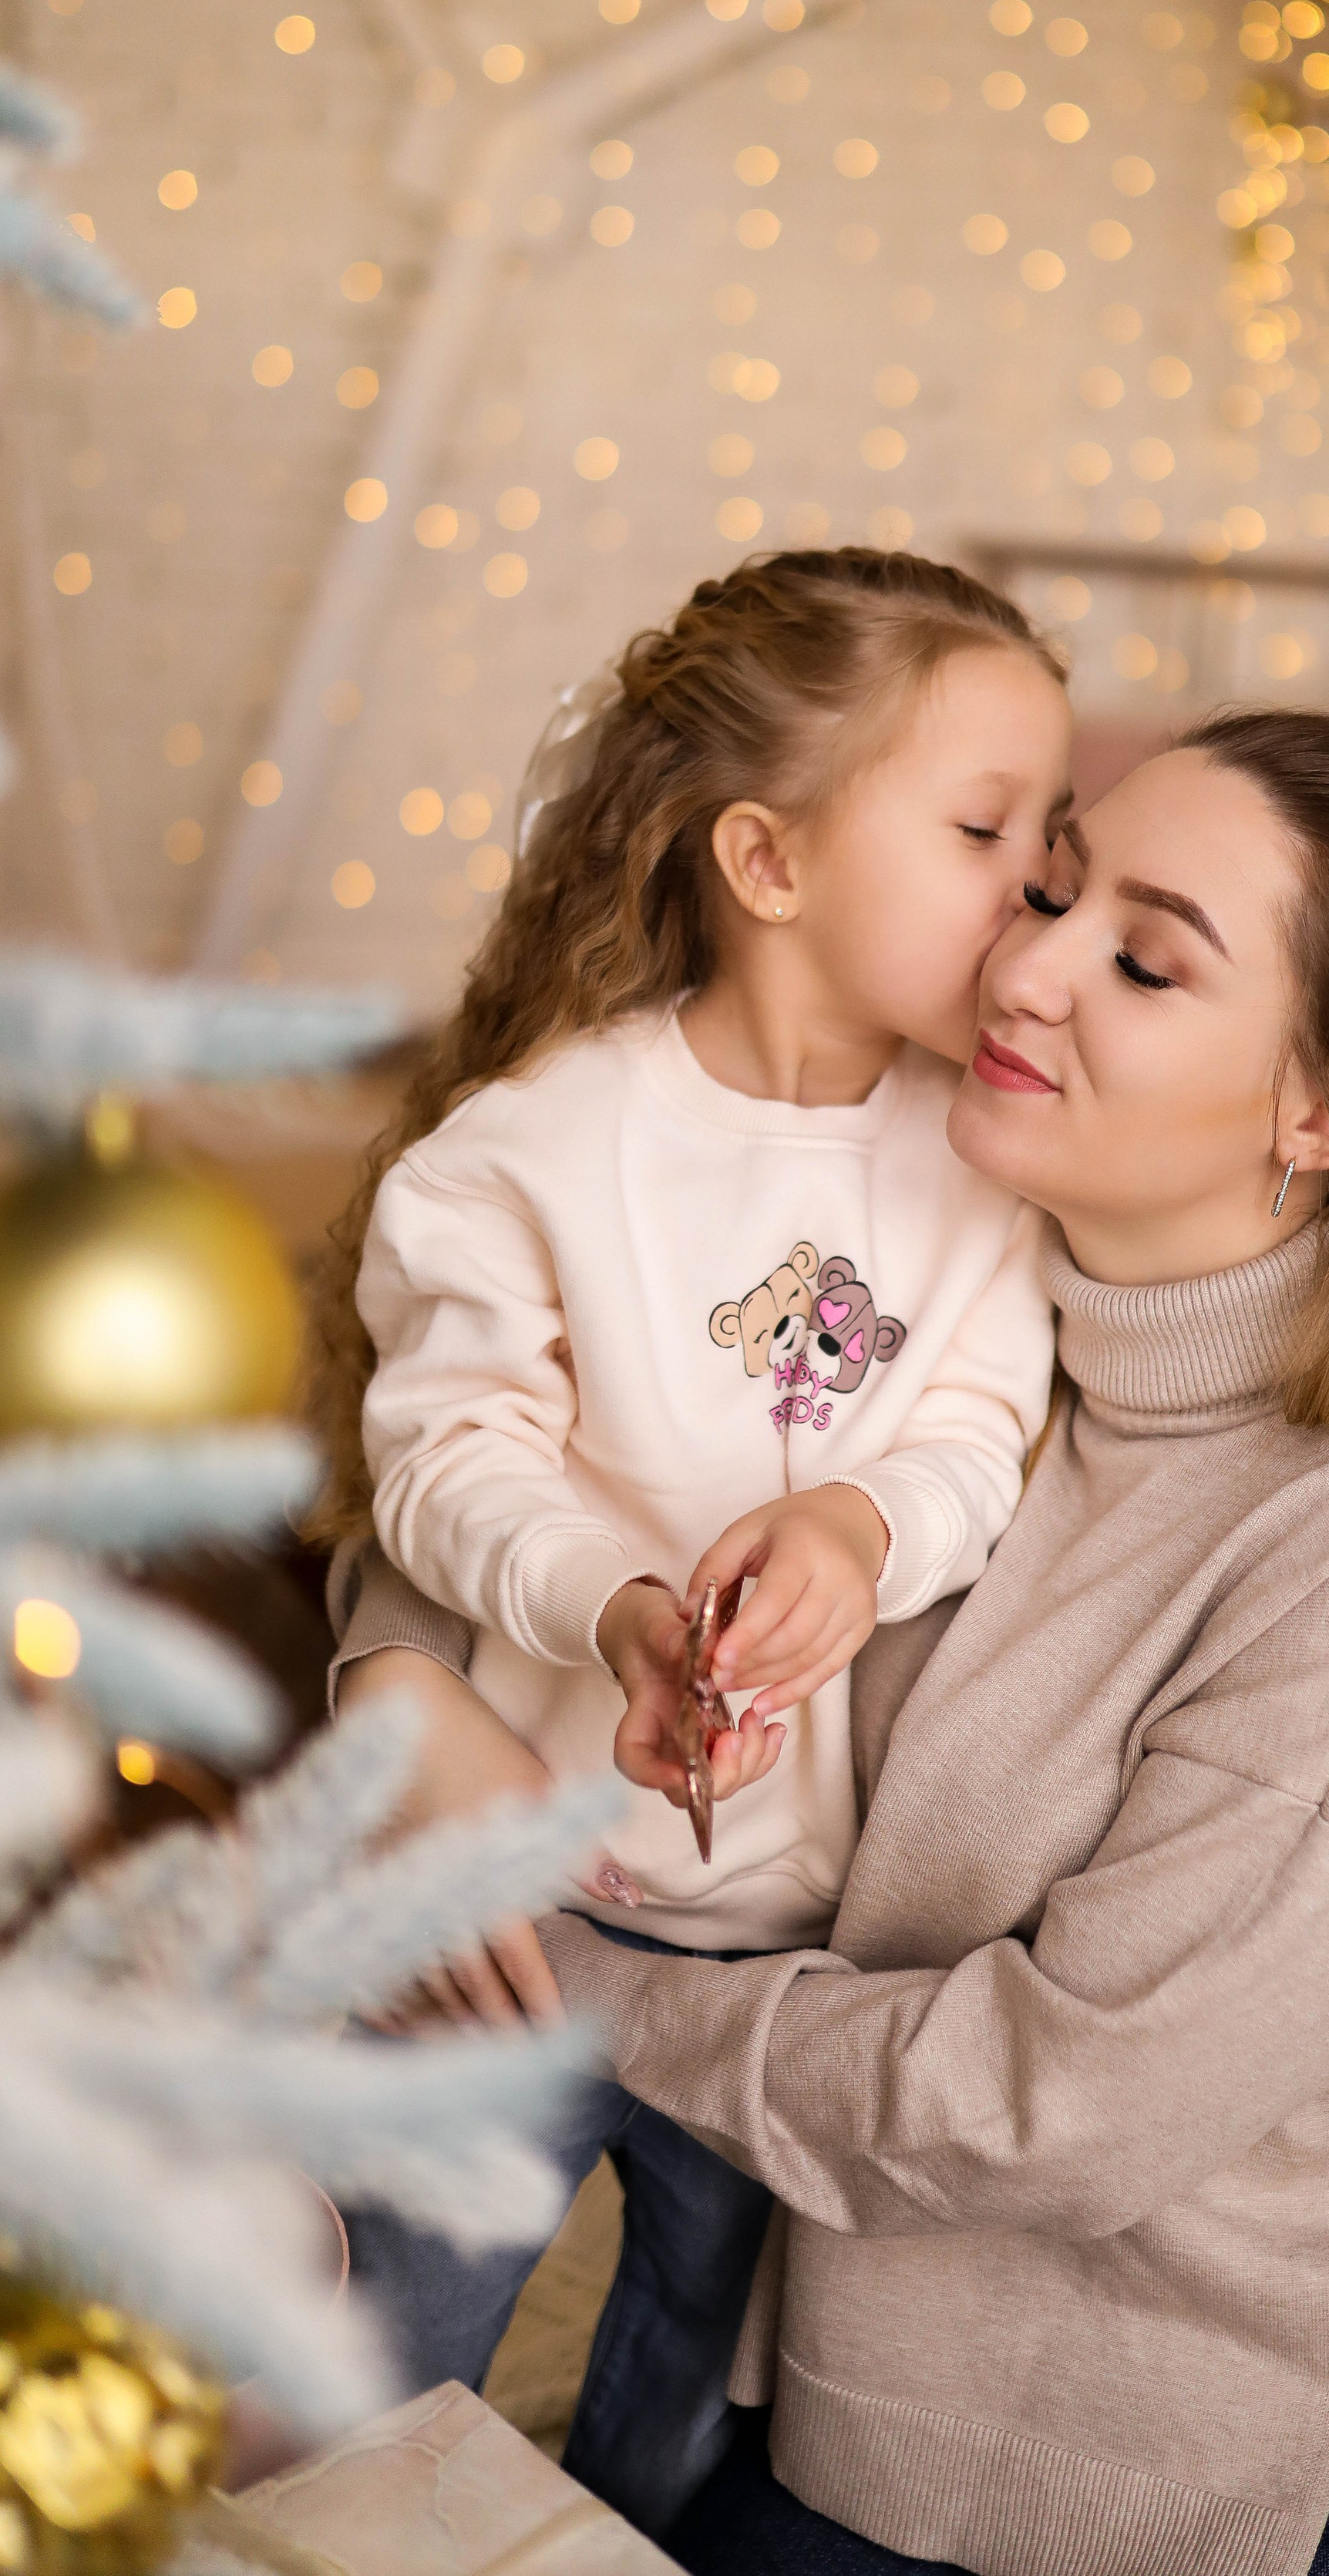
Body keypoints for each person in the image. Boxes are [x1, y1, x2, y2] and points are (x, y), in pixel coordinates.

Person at [376, 707, 1329, 2576]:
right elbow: (506, 1438)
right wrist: (396, 1675)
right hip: (864, 2399)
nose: (1027, 964)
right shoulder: (921, 1349)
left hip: (1251, 2473)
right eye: (1050, 887)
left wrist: (579, 1997)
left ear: (1321, 1114)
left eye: (1144, 961)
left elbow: (1044, 2107)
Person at [314, 546, 1072, 2535]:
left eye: (1045, 841)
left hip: (804, 1974)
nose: (1036, 896)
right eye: (984, 831)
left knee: (682, 2401)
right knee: (396, 2346)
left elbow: (987, 1429)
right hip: (520, 1926)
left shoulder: (989, 1169)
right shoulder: (535, 1151)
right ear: (768, 857)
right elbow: (446, 1454)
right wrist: (617, 1607)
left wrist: (858, 1515)